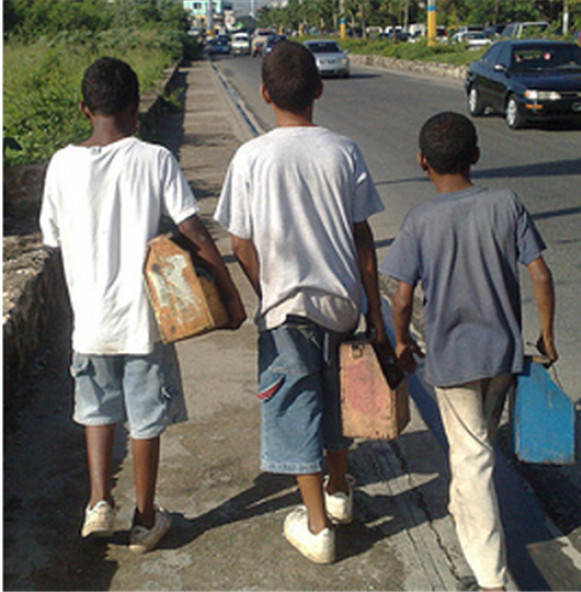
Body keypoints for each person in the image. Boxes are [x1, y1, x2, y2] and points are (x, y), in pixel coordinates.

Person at [39, 57, 246, 553]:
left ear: (84, 109)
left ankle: (98, 503)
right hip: (145, 321)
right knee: (146, 419)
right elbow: (193, 230)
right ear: (136, 107)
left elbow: (51, 239)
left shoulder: (61, 164)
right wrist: (229, 291)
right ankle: (145, 519)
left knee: (95, 411)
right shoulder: (153, 159)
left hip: (89, 321)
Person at [213, 40, 390, 564]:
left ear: (264, 93)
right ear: (318, 89)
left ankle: (316, 526)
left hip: (286, 308)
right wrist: (375, 314)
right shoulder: (343, 150)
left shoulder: (251, 157)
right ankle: (339, 493)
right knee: (337, 402)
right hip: (341, 303)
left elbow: (239, 243)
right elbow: (363, 240)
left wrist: (263, 289)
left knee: (297, 408)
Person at [380, 112, 558, 591]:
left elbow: (401, 297)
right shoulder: (506, 203)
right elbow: (540, 273)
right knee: (478, 445)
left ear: (421, 162)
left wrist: (400, 341)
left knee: (473, 459)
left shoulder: (420, 220)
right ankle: (464, 508)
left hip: (453, 361)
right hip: (501, 356)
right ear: (476, 156)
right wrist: (547, 336)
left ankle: (492, 580)